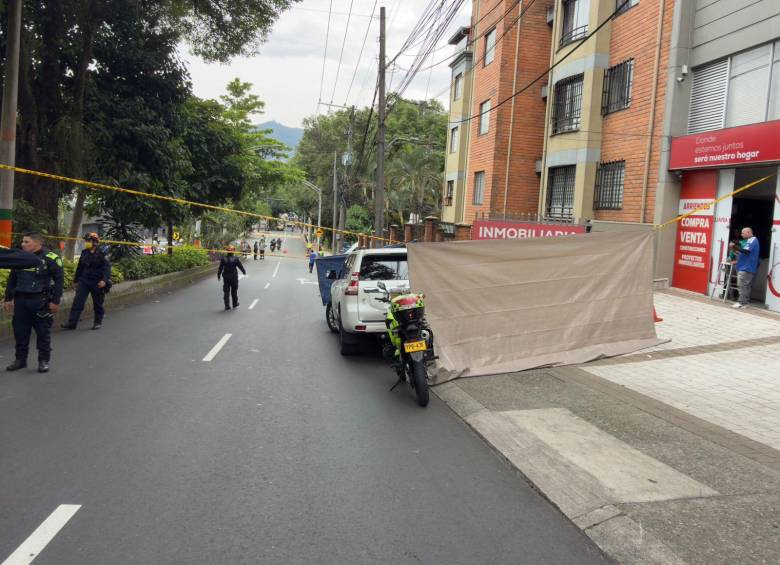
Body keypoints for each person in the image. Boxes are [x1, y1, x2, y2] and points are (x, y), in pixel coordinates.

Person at [3, 232, 65, 373]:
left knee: (43, 332)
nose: (23, 244)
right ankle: (20, 360)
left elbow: (59, 280)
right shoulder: (19, 258)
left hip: (40, 301)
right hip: (21, 301)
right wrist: (8, 298)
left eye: (26, 242)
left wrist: (55, 301)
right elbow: (12, 279)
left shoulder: (51, 258)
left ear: (37, 243)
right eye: (23, 242)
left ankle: (43, 361)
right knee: (20, 332)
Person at [61, 233, 112, 330]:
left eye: (89, 241)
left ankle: (97, 322)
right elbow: (80, 267)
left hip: (97, 282)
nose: (86, 243)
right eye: (86, 241)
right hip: (84, 281)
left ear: (95, 242)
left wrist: (104, 280)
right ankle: (72, 323)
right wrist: (76, 280)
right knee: (78, 302)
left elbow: (107, 268)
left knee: (98, 303)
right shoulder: (84, 253)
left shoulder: (102, 253)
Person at [733, 227, 760, 309]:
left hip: (746, 268)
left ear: (748, 232)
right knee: (746, 286)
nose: (741, 235)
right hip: (747, 267)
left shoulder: (752, 240)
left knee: (741, 286)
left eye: (743, 233)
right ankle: (745, 303)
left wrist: (735, 247)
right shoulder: (750, 241)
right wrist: (737, 252)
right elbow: (745, 253)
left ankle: (741, 302)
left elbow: (746, 251)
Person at [217, 245, 246, 310]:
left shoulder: (223, 259)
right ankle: (235, 303)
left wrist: (218, 275)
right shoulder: (236, 259)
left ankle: (227, 305)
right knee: (234, 291)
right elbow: (240, 266)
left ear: (227, 251)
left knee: (226, 292)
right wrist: (244, 271)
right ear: (233, 251)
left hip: (226, 277)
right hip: (234, 277)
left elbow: (220, 268)